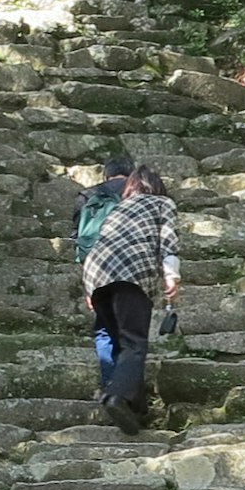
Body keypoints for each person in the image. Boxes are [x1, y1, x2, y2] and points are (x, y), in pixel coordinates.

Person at [79, 156, 180, 432]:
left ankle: (135, 408)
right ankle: (117, 396)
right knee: (135, 343)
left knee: (121, 343)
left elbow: (98, 243)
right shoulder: (162, 204)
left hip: (97, 275)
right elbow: (168, 239)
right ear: (156, 187)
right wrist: (171, 274)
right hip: (131, 274)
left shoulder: (120, 208)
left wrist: (90, 290)